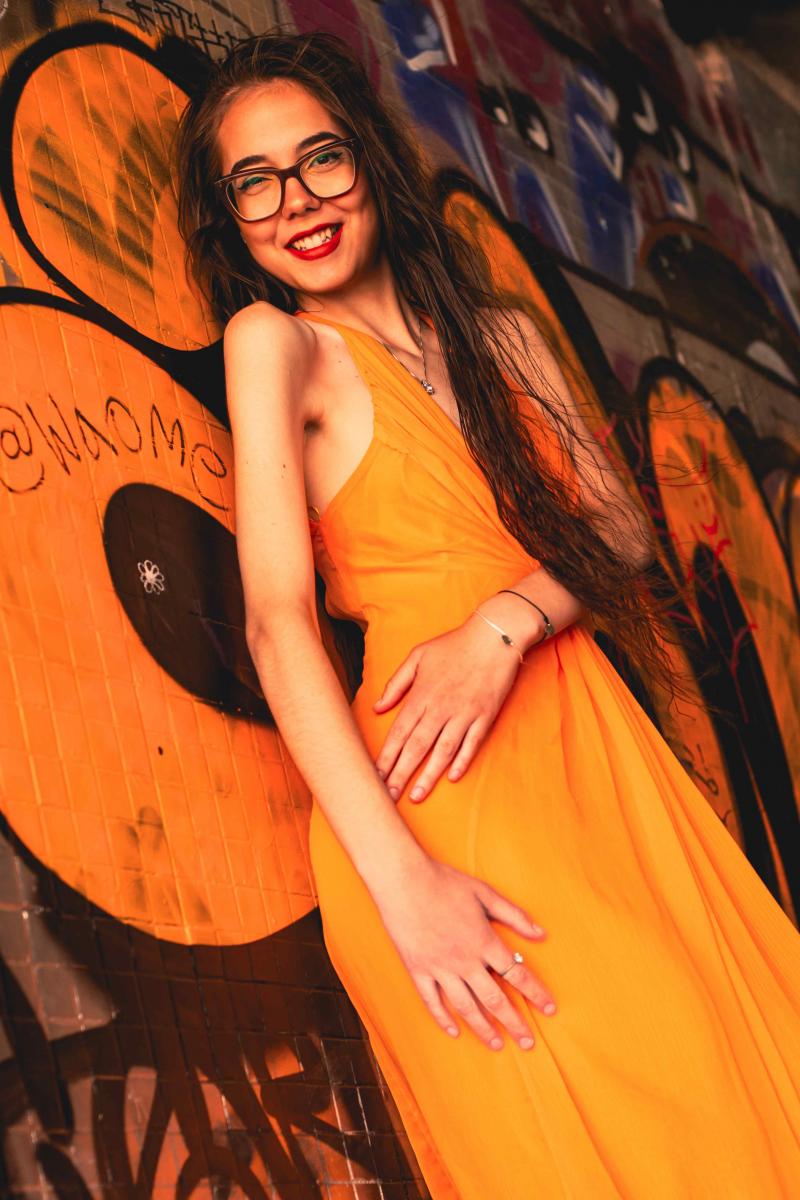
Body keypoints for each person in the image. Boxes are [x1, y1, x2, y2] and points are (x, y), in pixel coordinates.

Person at [175, 28, 800, 1199]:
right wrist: (402, 888)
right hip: (441, 800)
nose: (295, 200)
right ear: (228, 214)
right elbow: (276, 622)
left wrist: (502, 625)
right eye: (252, 180)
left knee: (731, 1087)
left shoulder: (501, 334)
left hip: (596, 757)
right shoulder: (276, 345)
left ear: (366, 159)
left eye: (318, 159)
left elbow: (619, 531)